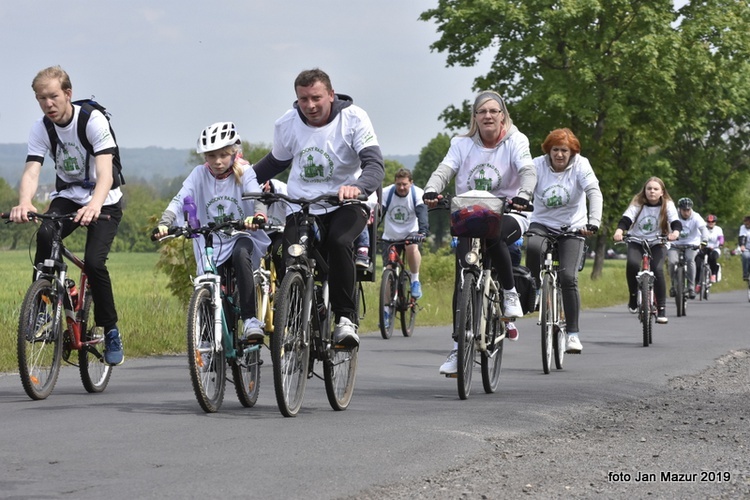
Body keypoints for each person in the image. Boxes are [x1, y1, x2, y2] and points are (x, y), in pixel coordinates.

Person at [252, 68, 385, 347]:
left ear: (331, 95)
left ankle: (345, 319)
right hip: (304, 205)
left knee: (339, 242)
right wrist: (241, 181)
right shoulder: (287, 124)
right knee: (285, 249)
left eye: (316, 98)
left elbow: (374, 164)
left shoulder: (353, 118)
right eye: (303, 99)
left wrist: (358, 188)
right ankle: (299, 308)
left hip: (346, 202)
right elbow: (275, 163)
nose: (310, 106)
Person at [10, 66, 125, 365]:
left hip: (105, 199)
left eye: (53, 96)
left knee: (95, 262)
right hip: (69, 196)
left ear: (68, 94)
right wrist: (25, 202)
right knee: (46, 233)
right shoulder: (41, 128)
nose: (47, 104)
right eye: (40, 98)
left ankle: (111, 329)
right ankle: (43, 305)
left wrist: (95, 205)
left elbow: (105, 173)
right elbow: (32, 169)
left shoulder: (91, 120)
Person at [422, 90, 536, 375]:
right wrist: (431, 189)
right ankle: (458, 348)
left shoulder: (516, 141)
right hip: (470, 213)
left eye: (493, 111)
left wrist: (524, 194)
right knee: (462, 279)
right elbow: (444, 169)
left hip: (510, 212)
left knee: (493, 233)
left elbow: (528, 170)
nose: (488, 115)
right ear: (475, 117)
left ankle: (509, 294)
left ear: (503, 116)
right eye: (482, 111)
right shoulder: (461, 144)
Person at [154, 122, 270, 342]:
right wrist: (165, 222)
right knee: (208, 283)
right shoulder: (199, 174)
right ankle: (207, 342)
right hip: (210, 239)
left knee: (240, 255)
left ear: (234, 152)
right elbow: (180, 198)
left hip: (241, 234)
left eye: (223, 155)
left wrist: (258, 216)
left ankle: (250, 320)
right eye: (211, 156)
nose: (217, 161)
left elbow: (257, 196)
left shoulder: (245, 171)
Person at [525, 128, 603, 354]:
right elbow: (525, 188)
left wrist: (593, 222)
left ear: (572, 152)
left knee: (568, 277)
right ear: (548, 150)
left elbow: (593, 192)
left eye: (564, 150)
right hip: (541, 222)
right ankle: (536, 290)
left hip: (573, 227)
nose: (559, 154)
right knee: (532, 246)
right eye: (555, 150)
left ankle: (573, 335)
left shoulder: (581, 165)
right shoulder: (537, 164)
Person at [613, 177, 681, 324]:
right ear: (645, 190)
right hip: (637, 240)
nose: (652, 191)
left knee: (657, 269)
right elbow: (626, 218)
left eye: (656, 189)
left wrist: (675, 233)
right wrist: (619, 231)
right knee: (632, 264)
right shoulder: (638, 202)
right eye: (649, 188)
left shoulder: (667, 204)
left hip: (658, 241)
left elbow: (675, 221)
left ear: (662, 192)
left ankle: (661, 308)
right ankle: (632, 297)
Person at [381, 168, 428, 299]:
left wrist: (423, 232)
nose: (401, 187)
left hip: (410, 233)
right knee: (388, 271)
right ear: (394, 183)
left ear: (411, 183)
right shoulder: (386, 193)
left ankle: (415, 280)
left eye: (404, 184)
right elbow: (378, 213)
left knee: (412, 248)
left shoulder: (417, 193)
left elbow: (422, 213)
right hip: (390, 236)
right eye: (398, 184)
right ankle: (385, 312)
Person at [667, 198, 708, 299]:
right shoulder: (673, 216)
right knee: (672, 262)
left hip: (691, 244)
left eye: (688, 210)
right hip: (675, 244)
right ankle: (673, 285)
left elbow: (703, 229)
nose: (686, 212)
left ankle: (691, 287)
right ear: (679, 209)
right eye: (684, 210)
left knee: (690, 260)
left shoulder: (696, 217)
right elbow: (665, 227)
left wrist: (704, 240)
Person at [738, 216, 750, 281]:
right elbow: (742, 237)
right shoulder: (743, 227)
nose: (746, 225)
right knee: (745, 256)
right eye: (745, 223)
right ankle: (746, 274)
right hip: (747, 248)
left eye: (748, 223)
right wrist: (742, 245)